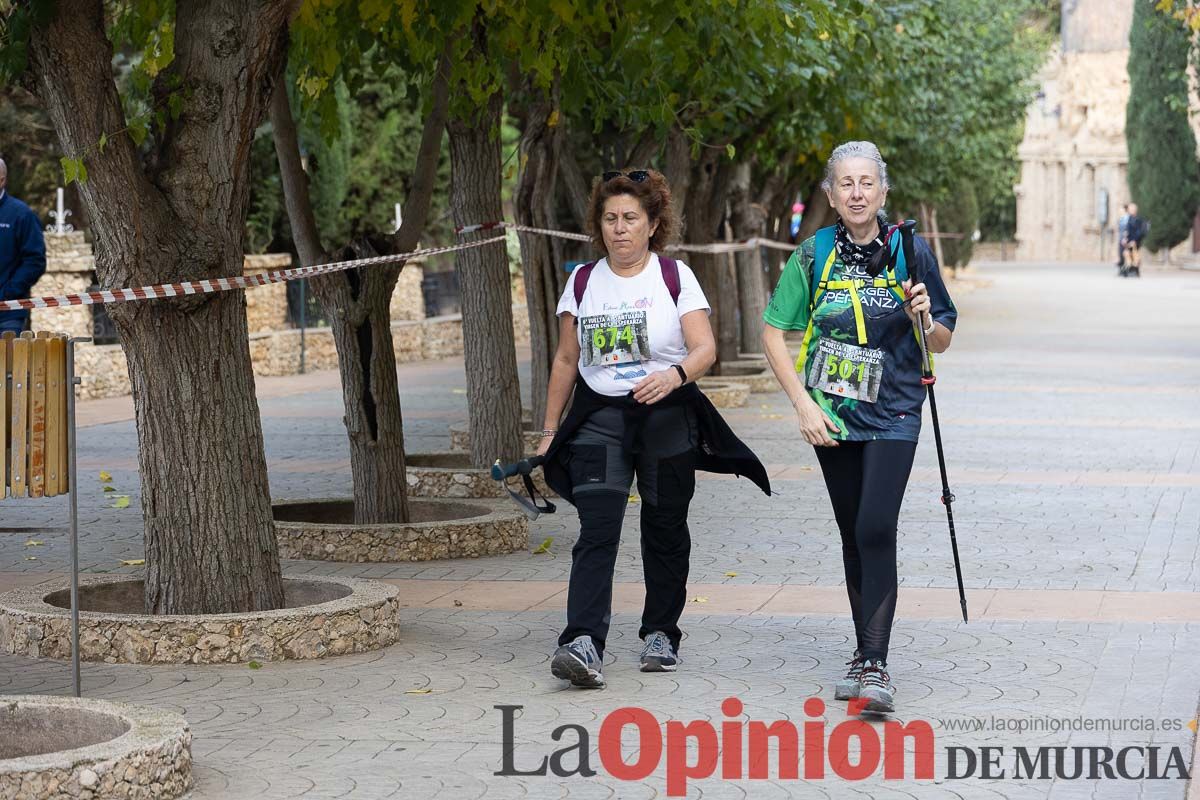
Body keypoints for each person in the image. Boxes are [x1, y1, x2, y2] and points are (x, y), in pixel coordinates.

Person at [537, 168, 770, 689]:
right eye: (610, 218)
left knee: (664, 528)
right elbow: (565, 360)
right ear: (599, 225)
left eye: (631, 218)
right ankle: (582, 641)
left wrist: (674, 375)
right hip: (600, 418)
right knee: (597, 528)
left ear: (652, 223)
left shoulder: (674, 276)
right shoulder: (581, 281)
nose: (619, 228)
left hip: (666, 417)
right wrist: (550, 431)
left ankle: (661, 632)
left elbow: (704, 348)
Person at [761, 141, 958, 714]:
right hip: (834, 414)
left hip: (896, 409)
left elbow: (942, 339)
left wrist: (925, 315)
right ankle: (864, 654)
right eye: (845, 183)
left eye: (866, 182)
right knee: (853, 532)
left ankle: (875, 666)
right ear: (829, 193)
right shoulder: (813, 254)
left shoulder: (910, 251)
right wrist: (802, 405)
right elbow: (773, 332)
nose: (856, 192)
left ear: (883, 190)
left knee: (876, 525)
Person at [0, 158, 47, 335]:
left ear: (2, 180)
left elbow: (35, 260)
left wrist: (8, 292)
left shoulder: (21, 214)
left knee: (8, 363)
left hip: (8, 314)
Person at [1122, 203, 1147, 278]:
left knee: (1135, 255)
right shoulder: (1129, 219)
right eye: (1129, 209)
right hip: (1129, 241)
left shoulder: (1139, 220)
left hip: (1136, 242)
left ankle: (1135, 271)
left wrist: (1135, 240)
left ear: (1135, 210)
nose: (1130, 211)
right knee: (1127, 254)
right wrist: (1125, 238)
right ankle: (1129, 269)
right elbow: (1127, 230)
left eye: (1131, 209)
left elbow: (1140, 231)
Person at [1116, 204, 1131, 275]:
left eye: (1121, 210)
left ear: (1125, 210)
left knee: (1126, 255)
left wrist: (1125, 238)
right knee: (1121, 255)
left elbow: (1127, 229)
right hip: (1120, 239)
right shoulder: (1122, 218)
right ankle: (1121, 270)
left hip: (1125, 240)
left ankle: (1126, 270)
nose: (1119, 211)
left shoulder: (1127, 219)